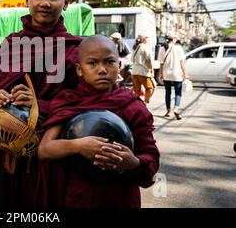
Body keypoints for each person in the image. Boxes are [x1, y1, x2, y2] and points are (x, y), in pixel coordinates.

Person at [0, 0, 83, 208]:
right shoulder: (11, 45)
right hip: (5, 152)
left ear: (65, 3)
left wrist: (40, 106)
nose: (45, 3)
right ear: (27, 0)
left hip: (49, 155)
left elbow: (85, 104)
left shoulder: (75, 51)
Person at [38, 35, 160, 208]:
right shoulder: (68, 101)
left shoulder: (132, 105)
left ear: (119, 65)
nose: (102, 70)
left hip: (121, 198)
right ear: (79, 69)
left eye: (109, 62)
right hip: (78, 197)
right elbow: (44, 149)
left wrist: (133, 162)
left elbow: (151, 159)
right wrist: (79, 146)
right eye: (92, 63)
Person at [158, 34, 189, 120]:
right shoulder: (178, 48)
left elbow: (161, 63)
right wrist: (185, 73)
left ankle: (168, 111)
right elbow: (182, 63)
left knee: (168, 92)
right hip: (177, 74)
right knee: (178, 93)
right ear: (174, 39)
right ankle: (176, 108)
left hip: (166, 73)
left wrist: (160, 73)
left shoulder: (162, 48)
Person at [131, 33, 155, 104]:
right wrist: (151, 70)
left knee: (137, 90)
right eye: (146, 38)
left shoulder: (135, 47)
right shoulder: (145, 47)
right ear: (143, 39)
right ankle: (144, 103)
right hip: (143, 71)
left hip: (134, 71)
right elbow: (148, 60)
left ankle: (137, 105)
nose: (147, 39)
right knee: (150, 88)